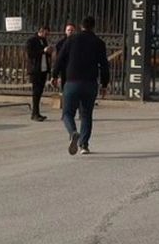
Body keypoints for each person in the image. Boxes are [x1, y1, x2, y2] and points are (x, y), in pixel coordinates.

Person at [51, 16, 111, 156]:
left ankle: (73, 132)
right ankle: (84, 145)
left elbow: (60, 58)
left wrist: (54, 75)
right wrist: (104, 84)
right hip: (90, 83)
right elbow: (104, 65)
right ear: (94, 26)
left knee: (67, 113)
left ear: (81, 26)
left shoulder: (71, 39)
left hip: (72, 81)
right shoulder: (99, 43)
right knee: (86, 114)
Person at [24, 25, 52, 121]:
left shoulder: (44, 40)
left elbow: (45, 54)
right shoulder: (32, 40)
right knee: (36, 92)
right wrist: (43, 51)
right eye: (46, 33)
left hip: (43, 69)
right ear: (41, 31)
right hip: (35, 69)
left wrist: (48, 52)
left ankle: (36, 112)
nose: (47, 35)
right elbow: (30, 54)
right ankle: (35, 113)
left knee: (40, 91)